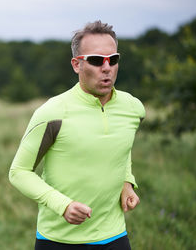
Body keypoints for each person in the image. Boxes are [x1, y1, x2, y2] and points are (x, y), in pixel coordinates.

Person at [8, 20, 145, 250]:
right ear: (76, 65)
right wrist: (62, 205)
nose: (106, 67)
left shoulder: (133, 108)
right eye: (95, 60)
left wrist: (126, 182)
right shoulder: (52, 112)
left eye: (113, 59)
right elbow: (18, 172)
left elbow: (122, 147)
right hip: (59, 240)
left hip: (114, 236)